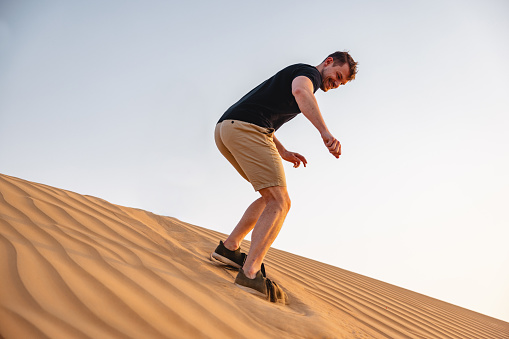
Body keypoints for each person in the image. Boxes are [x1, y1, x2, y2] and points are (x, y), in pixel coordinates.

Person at [211, 51, 358, 303]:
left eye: (340, 83)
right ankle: (250, 271)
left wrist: (283, 151)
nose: (334, 83)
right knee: (281, 203)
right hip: (246, 129)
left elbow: (261, 117)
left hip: (227, 129)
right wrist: (325, 133)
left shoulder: (300, 75)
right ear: (328, 62)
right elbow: (302, 93)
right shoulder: (309, 74)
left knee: (269, 198)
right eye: (337, 76)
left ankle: (229, 248)